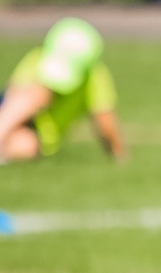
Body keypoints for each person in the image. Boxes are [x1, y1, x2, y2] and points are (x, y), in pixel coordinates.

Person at [0, 17, 125, 164]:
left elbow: (105, 122)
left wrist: (120, 157)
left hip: (37, 138)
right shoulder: (38, 59)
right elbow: (12, 97)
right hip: (12, 120)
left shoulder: (94, 77)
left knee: (26, 145)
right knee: (36, 94)